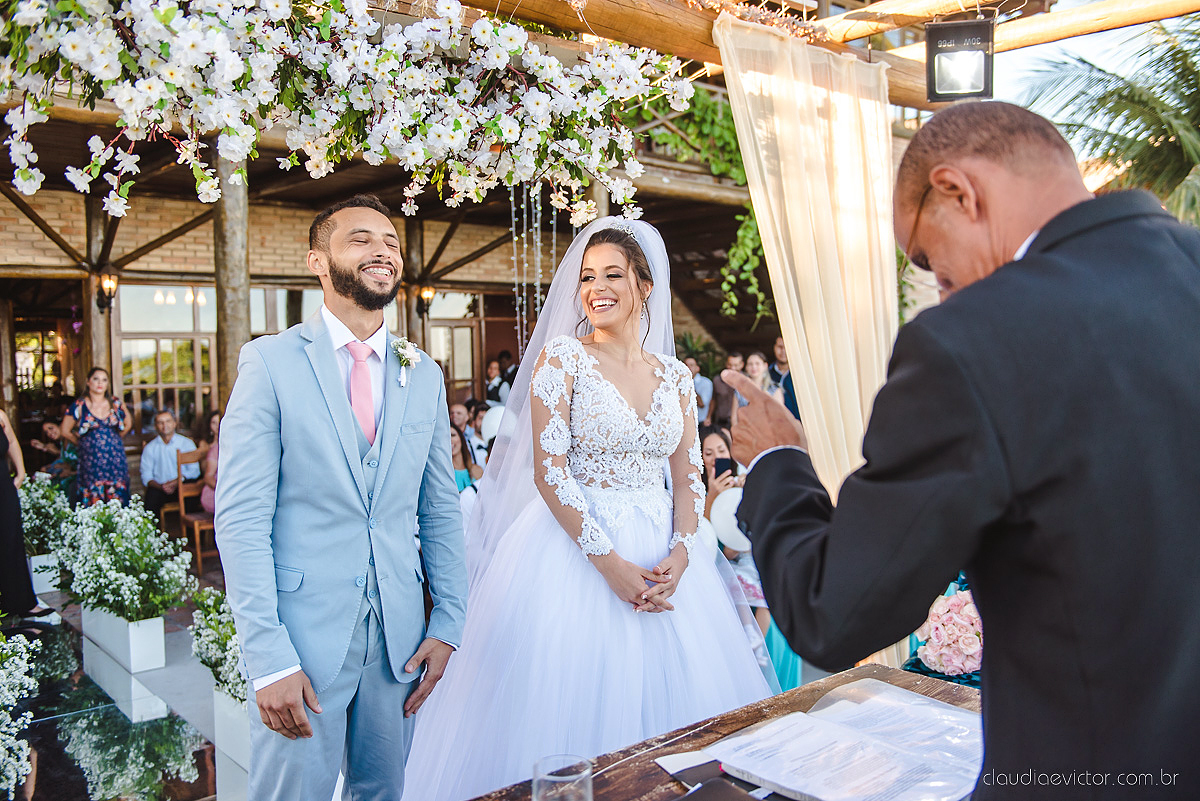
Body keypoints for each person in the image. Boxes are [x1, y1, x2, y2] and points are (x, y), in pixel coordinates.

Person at [726, 102, 1200, 800]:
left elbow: (835, 612)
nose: (941, 294)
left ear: (957, 191)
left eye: (933, 265)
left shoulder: (973, 340)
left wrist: (776, 462)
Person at [402, 218, 775, 801]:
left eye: (612, 275)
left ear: (644, 286)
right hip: (573, 553)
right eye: (586, 277)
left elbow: (687, 476)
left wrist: (682, 551)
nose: (596, 287)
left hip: (667, 561)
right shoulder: (563, 360)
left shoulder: (676, 377)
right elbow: (550, 473)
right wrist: (612, 565)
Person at [216, 194, 468, 801]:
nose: (381, 251)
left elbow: (438, 506)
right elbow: (242, 520)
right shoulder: (270, 363)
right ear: (317, 262)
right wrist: (268, 657)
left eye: (389, 242)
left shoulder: (423, 372)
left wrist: (449, 620)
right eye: (360, 239)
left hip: (399, 647)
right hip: (302, 643)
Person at [699, 429, 769, 636]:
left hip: (750, 560)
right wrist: (711, 497)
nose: (716, 458)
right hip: (719, 567)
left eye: (721, 450)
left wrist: (750, 491)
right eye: (708, 453)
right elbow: (701, 535)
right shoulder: (695, 490)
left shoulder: (742, 481)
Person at [0, 409, 52, 618]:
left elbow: (11, 442)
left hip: (3, 487)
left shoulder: (0, 415)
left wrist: (20, 472)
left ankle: (24, 603)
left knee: (11, 541)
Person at [60, 367, 131, 506]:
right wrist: (81, 443)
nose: (100, 383)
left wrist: (114, 439)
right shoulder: (79, 405)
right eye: (96, 379)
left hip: (115, 460)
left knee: (117, 500)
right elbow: (64, 430)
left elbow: (128, 423)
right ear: (88, 382)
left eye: (104, 380)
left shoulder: (115, 403)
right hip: (90, 461)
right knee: (92, 500)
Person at [140, 410, 201, 515]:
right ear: (155, 426)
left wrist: (176, 482)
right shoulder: (150, 448)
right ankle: (153, 531)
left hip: (181, 485)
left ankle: (190, 530)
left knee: (191, 492)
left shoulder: (186, 443)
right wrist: (162, 486)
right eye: (160, 422)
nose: (165, 425)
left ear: (174, 423)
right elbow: (146, 476)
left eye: (168, 421)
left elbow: (195, 471)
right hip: (160, 488)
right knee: (151, 498)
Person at [30, 419, 78, 500]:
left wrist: (71, 472)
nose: (49, 433)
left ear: (60, 425)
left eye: (51, 428)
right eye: (46, 432)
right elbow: (64, 458)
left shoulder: (73, 437)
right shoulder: (63, 441)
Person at [704, 351, 742, 430]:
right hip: (720, 422)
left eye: (736, 365)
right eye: (730, 364)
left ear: (742, 365)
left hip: (739, 423)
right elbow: (713, 400)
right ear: (726, 364)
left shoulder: (746, 382)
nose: (733, 368)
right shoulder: (717, 380)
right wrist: (708, 417)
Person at [768, 336, 801, 420]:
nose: (783, 351)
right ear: (774, 348)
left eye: (786, 347)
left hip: (798, 425)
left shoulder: (800, 374)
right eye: (780, 347)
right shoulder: (767, 374)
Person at [199, 411, 220, 516]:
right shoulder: (210, 447)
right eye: (214, 423)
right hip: (213, 487)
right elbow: (207, 475)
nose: (217, 426)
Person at [684, 356, 713, 424]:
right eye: (685, 365)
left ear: (697, 368)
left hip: (700, 423)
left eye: (691, 365)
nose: (688, 368)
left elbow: (702, 404)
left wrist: (688, 384)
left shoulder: (706, 382)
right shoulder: (677, 382)